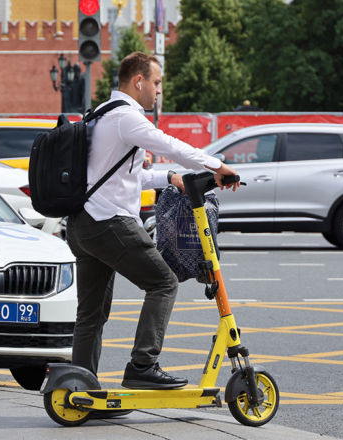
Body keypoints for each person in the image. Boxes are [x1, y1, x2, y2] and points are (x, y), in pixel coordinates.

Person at [66, 52, 240, 390]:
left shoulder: (102, 114)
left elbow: (128, 178)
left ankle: (79, 387)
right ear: (139, 81)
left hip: (83, 224)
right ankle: (143, 365)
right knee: (164, 282)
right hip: (109, 223)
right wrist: (216, 165)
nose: (159, 91)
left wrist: (170, 178)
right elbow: (170, 144)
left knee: (91, 314)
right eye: (157, 83)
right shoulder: (128, 117)